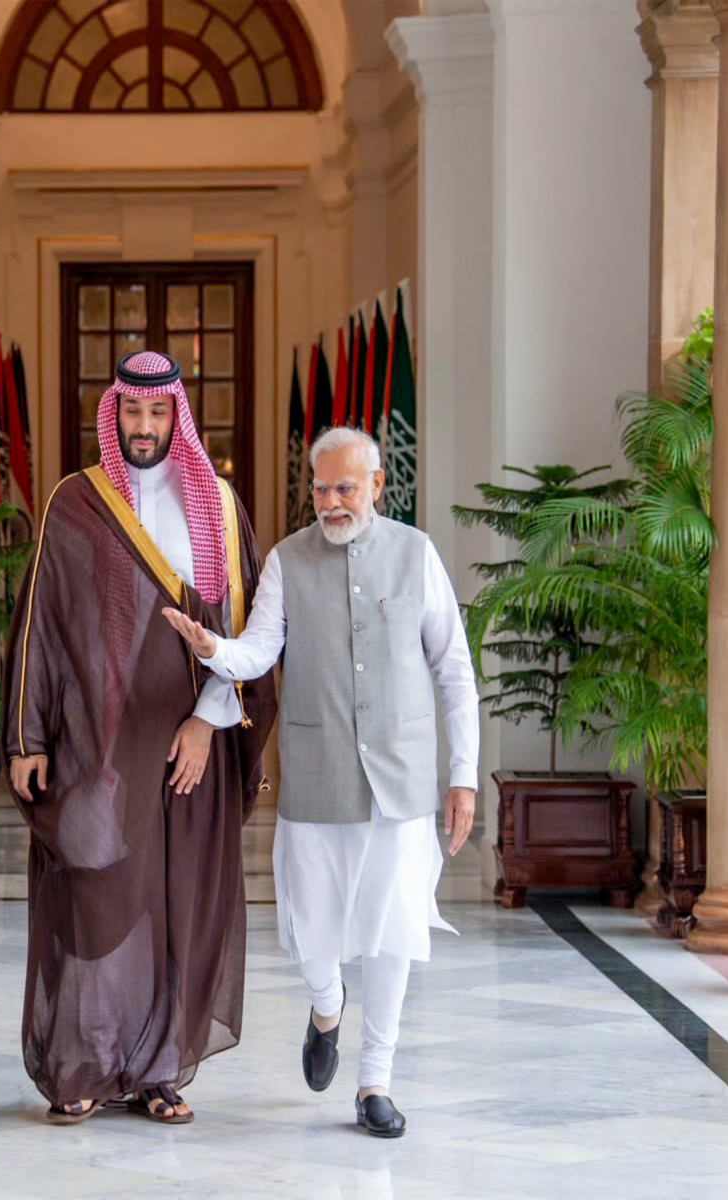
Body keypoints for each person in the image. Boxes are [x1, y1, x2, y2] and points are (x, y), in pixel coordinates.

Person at [163, 425, 478, 1139]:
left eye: (345, 487)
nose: (332, 502)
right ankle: (326, 1004)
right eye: (321, 488)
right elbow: (258, 651)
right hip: (314, 775)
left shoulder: (416, 554)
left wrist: (462, 776)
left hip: (399, 781)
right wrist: (215, 648)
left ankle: (375, 1081)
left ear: (375, 487)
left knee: (394, 927)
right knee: (312, 929)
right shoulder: (285, 561)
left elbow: (454, 671)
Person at [2, 351, 276, 1126]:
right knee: (93, 896)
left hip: (190, 744)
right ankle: (83, 1063)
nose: (145, 428)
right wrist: (28, 737)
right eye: (132, 413)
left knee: (177, 902)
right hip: (96, 740)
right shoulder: (76, 502)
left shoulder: (217, 507)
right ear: (113, 414)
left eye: (158, 414)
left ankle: (159, 1069)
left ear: (177, 416)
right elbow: (40, 632)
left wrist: (206, 723)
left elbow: (247, 636)